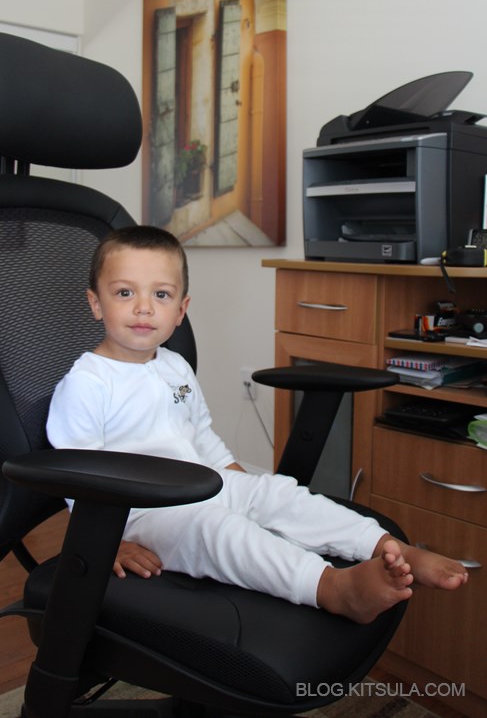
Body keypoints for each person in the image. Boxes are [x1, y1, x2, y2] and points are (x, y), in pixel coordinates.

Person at [46, 225, 468, 624]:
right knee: (217, 529)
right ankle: (331, 588)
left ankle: (387, 547)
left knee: (277, 492)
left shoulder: (174, 366)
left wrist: (243, 488)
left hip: (199, 485)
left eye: (161, 294)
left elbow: (202, 437)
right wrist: (108, 542)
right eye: (124, 293)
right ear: (96, 303)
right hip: (142, 514)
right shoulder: (87, 383)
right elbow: (77, 477)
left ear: (181, 310)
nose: (144, 307)